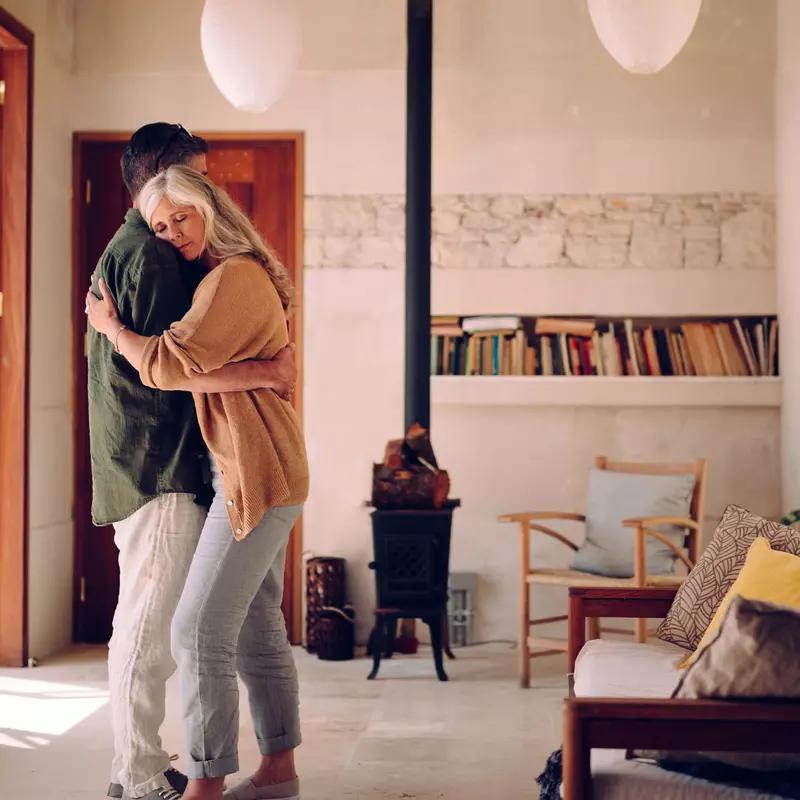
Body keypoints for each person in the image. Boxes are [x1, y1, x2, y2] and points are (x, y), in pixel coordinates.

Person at [87, 164, 310, 800]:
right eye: (159, 225)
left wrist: (111, 329)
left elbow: (163, 363)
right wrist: (259, 372)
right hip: (269, 468)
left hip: (256, 473)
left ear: (210, 208)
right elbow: (197, 370)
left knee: (197, 630)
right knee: (256, 624)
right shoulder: (233, 276)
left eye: (181, 215)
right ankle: (277, 774)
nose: (172, 232)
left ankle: (206, 786)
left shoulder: (233, 278)